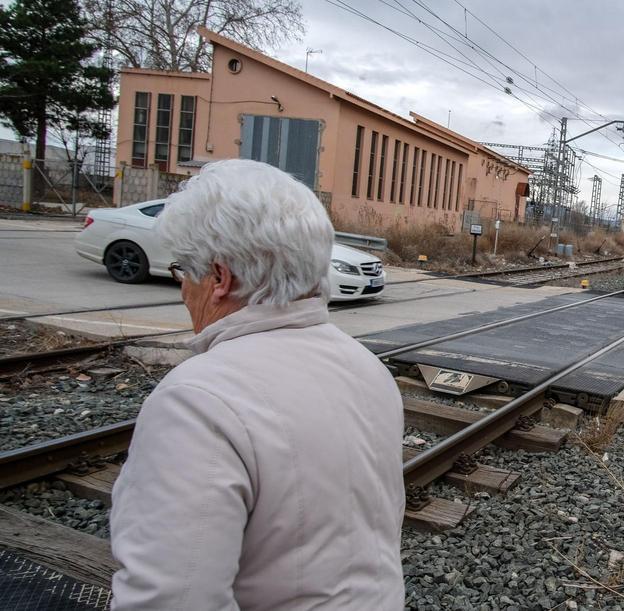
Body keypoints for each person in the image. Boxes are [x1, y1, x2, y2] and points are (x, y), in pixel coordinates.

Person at [109, 159, 406, 610]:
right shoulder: (366, 366)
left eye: (182, 273)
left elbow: (172, 599)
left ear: (219, 279)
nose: (181, 291)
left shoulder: (198, 400)